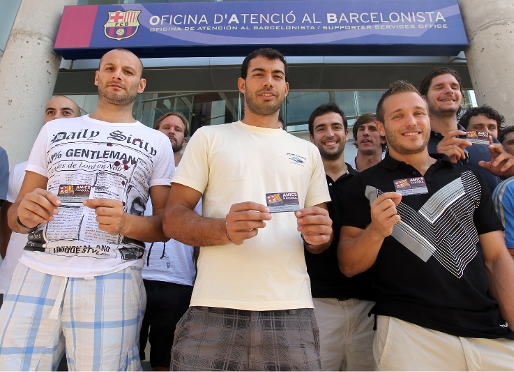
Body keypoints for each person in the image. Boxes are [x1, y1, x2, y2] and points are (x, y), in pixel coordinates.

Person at [0, 48, 174, 371]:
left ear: (141, 85)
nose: (117, 75)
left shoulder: (157, 142)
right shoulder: (53, 131)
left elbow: (166, 226)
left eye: (128, 71)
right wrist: (24, 214)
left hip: (112, 278)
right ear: (97, 77)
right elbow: (15, 216)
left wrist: (125, 223)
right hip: (35, 271)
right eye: (109, 68)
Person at [164, 48, 332, 371]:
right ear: (242, 85)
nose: (268, 82)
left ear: (286, 88)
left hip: (291, 307)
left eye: (277, 76)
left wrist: (320, 236)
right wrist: (223, 229)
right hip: (212, 305)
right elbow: (173, 218)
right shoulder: (209, 137)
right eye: (258, 74)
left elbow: (319, 237)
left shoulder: (308, 152)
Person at [339, 81, 514, 370]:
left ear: (428, 119)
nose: (411, 122)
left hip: (488, 330)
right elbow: (348, 265)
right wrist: (376, 232)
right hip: (410, 334)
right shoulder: (364, 183)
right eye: (398, 116)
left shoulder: (471, 177)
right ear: (382, 128)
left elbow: (496, 259)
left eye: (418, 113)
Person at [307, 103, 374, 371]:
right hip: (316, 303)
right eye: (321, 129)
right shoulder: (300, 184)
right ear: (311, 139)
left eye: (336, 127)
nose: (329, 133)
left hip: (367, 304)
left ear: (347, 134)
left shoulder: (368, 184)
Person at [0, 96, 80, 308]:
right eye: (50, 111)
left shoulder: (85, 174)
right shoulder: (20, 170)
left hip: (62, 281)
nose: (56, 117)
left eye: (66, 112)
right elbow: (6, 226)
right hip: (13, 281)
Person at [139, 112, 201, 371]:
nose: (171, 131)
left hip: (178, 279)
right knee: (125, 353)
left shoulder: (193, 179)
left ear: (184, 139)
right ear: (156, 133)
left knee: (167, 358)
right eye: (166, 127)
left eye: (177, 129)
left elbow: (199, 234)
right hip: (135, 276)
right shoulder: (139, 172)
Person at [419, 67, 514, 192]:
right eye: (439, 87)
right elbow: (405, 191)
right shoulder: (415, 144)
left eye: (454, 87)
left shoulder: (487, 140)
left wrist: (508, 174)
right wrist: (439, 165)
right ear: (423, 99)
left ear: (461, 97)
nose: (449, 91)